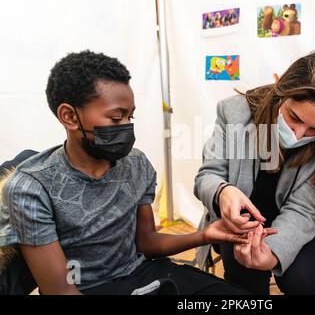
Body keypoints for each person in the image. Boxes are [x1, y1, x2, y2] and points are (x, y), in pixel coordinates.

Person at [0, 50, 273, 295]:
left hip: (145, 275)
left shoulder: (137, 164)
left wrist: (205, 235)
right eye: (116, 118)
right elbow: (60, 290)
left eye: (130, 117)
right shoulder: (31, 188)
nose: (126, 127)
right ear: (70, 117)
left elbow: (146, 242)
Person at [194, 50, 315, 295]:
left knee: (308, 281)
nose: (298, 134)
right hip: (238, 223)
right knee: (243, 273)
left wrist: (272, 253)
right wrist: (222, 192)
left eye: (314, 129)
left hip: (297, 221)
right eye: (294, 117)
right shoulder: (234, 112)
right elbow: (207, 176)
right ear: (282, 89)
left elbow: (303, 210)